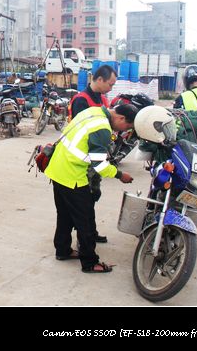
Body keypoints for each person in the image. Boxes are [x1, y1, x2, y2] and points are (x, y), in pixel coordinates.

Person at [44, 103, 136, 273]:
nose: (124, 131)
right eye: (127, 127)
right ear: (121, 118)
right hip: (73, 176)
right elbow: (100, 165)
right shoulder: (102, 129)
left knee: (64, 214)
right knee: (85, 219)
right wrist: (119, 175)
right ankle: (90, 262)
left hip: (57, 169)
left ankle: (62, 250)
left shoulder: (92, 111)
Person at [67, 64, 116, 243]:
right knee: (85, 200)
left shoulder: (101, 100)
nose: (111, 88)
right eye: (110, 84)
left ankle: (91, 232)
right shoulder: (82, 100)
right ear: (100, 80)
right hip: (82, 160)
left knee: (93, 196)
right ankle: (84, 238)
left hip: (94, 157)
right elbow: (84, 132)